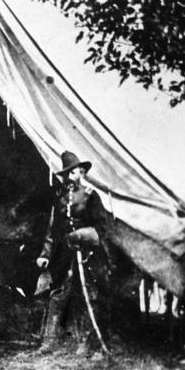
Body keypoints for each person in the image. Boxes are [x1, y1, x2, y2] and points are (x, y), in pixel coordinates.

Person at [36, 150, 110, 354]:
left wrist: (82, 235)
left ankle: (86, 342)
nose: (70, 177)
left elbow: (101, 228)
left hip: (87, 255)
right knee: (58, 294)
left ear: (82, 173)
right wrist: (45, 254)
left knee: (87, 295)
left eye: (74, 173)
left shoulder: (90, 196)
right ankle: (50, 340)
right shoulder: (60, 198)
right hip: (65, 255)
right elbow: (53, 229)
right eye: (67, 173)